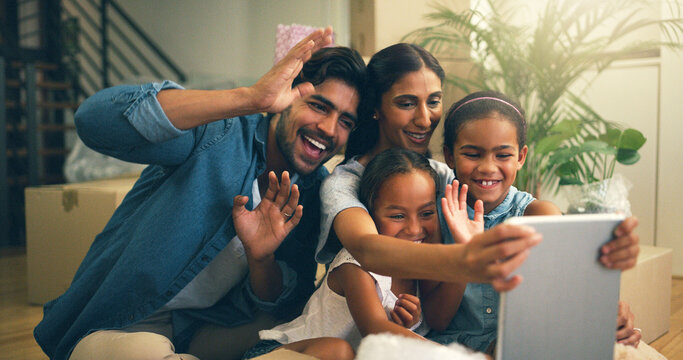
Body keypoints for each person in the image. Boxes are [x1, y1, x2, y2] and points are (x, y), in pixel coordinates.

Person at [33, 28, 368, 360]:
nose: (329, 129)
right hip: (124, 324)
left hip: (201, 330)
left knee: (321, 338)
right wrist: (250, 98)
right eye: (320, 107)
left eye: (345, 122)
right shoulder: (219, 133)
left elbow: (280, 304)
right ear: (287, 97)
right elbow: (93, 121)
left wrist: (261, 259)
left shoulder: (312, 191)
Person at [427, 90, 642, 353]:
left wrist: (611, 312)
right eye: (472, 154)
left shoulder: (539, 215)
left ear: (521, 157)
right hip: (453, 350)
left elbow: (572, 293)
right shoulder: (435, 215)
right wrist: (464, 252)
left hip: (524, 347)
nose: (487, 167)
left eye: (503, 155)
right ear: (449, 156)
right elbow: (438, 320)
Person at [242, 148, 483, 360]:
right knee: (339, 351)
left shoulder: (421, 262)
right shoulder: (355, 263)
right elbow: (376, 331)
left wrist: (466, 252)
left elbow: (439, 319)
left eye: (426, 213)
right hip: (278, 353)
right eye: (397, 216)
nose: (415, 229)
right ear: (370, 214)